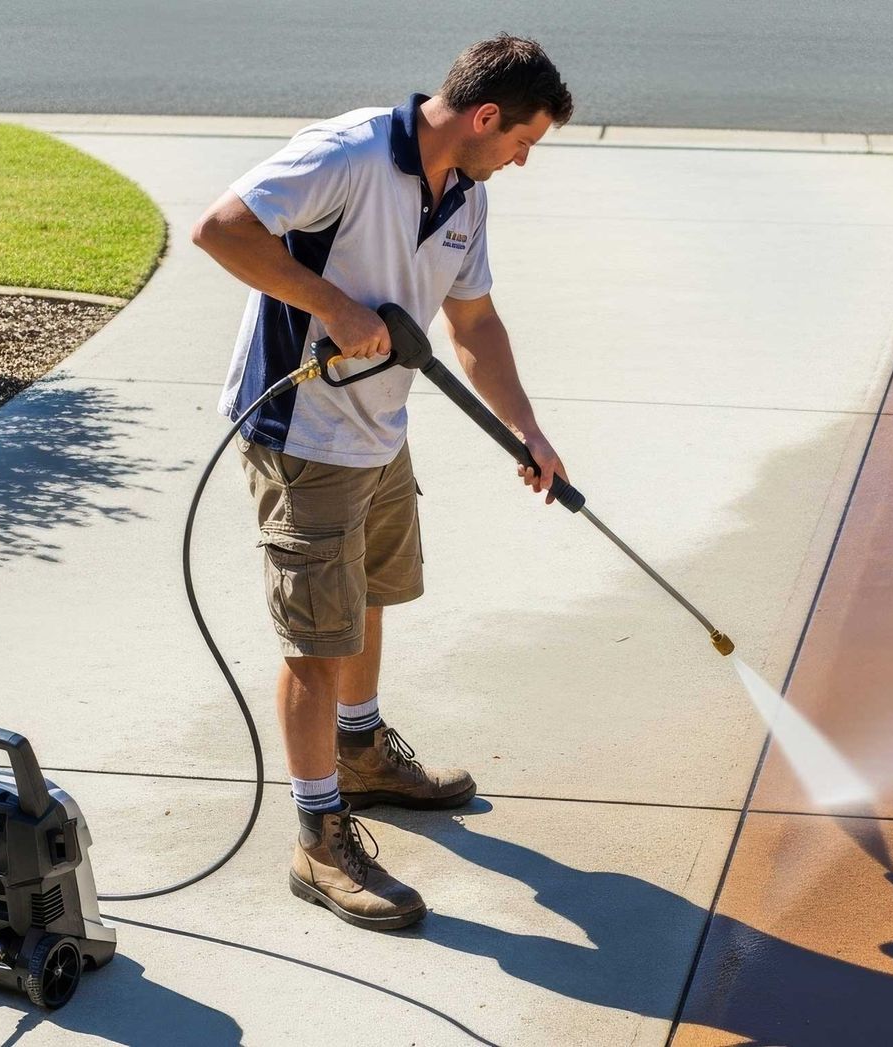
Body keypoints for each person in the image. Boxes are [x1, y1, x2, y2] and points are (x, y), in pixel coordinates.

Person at [190, 34, 575, 931]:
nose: (523, 161)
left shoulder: (466, 198)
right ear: (486, 117)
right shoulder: (350, 153)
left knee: (368, 598)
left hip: (378, 429)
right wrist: (333, 305)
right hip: (303, 432)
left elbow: (473, 323)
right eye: (524, 142)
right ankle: (318, 836)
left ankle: (361, 756)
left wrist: (528, 428)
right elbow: (222, 229)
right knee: (315, 642)